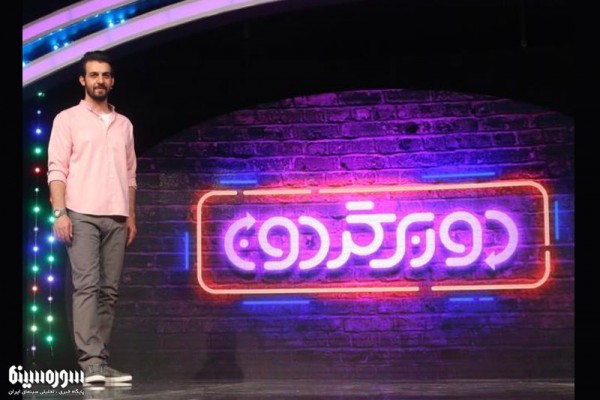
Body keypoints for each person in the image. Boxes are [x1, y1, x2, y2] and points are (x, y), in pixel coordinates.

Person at [47, 50, 137, 385]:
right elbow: (57, 169)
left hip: (117, 215)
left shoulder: (124, 124)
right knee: (86, 286)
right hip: (81, 212)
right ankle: (91, 363)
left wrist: (131, 216)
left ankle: (100, 359)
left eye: (105, 75)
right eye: (94, 75)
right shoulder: (67, 119)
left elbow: (130, 175)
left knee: (108, 291)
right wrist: (60, 213)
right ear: (83, 80)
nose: (100, 80)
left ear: (112, 81)